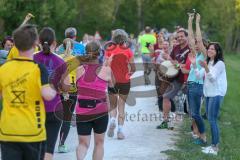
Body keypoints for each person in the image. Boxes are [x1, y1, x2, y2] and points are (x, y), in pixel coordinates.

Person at [0, 24, 56, 160]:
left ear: (15, 44)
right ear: (35, 43)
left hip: (8, 130)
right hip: (32, 131)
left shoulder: (4, 68)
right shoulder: (38, 68)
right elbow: (48, 95)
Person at [34, 27, 70, 160]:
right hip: (55, 109)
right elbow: (66, 88)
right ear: (54, 43)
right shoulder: (61, 62)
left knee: (36, 148)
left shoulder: (32, 59)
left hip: (35, 108)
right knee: (49, 150)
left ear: (38, 41)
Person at [75, 41, 113, 160]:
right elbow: (113, 88)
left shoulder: (79, 69)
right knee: (99, 143)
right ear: (100, 53)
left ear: (85, 53)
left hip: (82, 110)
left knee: (82, 144)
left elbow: (76, 88)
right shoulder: (106, 70)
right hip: (100, 111)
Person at [106, 29, 136, 140]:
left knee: (113, 106)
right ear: (125, 38)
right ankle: (120, 131)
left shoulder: (109, 50)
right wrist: (129, 74)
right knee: (121, 106)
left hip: (112, 82)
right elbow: (133, 68)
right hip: (125, 81)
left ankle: (112, 120)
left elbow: (106, 66)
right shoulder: (128, 51)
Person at [158, 28, 190, 129]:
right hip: (176, 78)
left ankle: (195, 129)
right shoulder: (176, 48)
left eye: (182, 36)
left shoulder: (190, 49)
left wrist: (176, 64)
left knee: (191, 103)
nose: (180, 38)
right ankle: (165, 121)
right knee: (166, 97)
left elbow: (189, 65)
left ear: (187, 37)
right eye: (178, 37)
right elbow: (172, 61)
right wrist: (168, 59)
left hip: (188, 79)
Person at [200, 43, 227, 155]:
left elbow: (212, 79)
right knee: (210, 119)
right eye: (209, 48)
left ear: (217, 52)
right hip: (209, 94)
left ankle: (215, 147)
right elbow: (200, 76)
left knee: (212, 120)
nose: (209, 50)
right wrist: (196, 66)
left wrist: (206, 67)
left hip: (216, 94)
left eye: (212, 49)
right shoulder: (209, 62)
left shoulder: (220, 64)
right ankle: (212, 145)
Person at [186, 13, 207, 145]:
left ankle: (203, 136)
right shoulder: (195, 54)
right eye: (196, 45)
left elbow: (198, 39)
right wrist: (189, 21)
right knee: (193, 113)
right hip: (190, 85)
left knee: (196, 114)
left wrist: (197, 23)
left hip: (197, 86)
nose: (196, 45)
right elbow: (191, 39)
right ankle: (198, 133)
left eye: (200, 44)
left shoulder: (204, 56)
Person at [57, 38, 78, 153]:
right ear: (73, 47)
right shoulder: (76, 60)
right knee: (67, 118)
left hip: (58, 90)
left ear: (62, 47)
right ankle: (61, 144)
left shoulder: (57, 58)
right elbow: (81, 77)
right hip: (72, 90)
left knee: (55, 117)